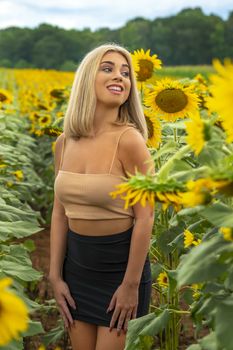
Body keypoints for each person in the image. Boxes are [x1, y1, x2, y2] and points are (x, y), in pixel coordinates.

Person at [49, 43, 155, 350]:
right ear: (86, 78)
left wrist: (131, 286)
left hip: (119, 274)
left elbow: (145, 216)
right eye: (107, 68)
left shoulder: (130, 140)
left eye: (126, 73)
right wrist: (55, 277)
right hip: (76, 270)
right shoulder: (64, 142)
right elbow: (59, 213)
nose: (120, 77)